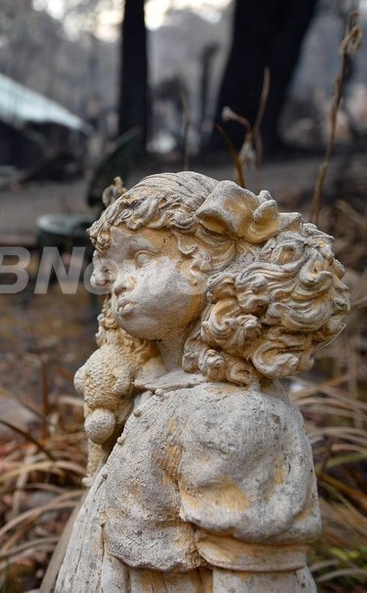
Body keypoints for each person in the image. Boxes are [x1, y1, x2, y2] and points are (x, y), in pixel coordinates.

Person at [54, 172, 349, 592]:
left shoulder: (236, 417)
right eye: (113, 268)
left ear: (216, 262)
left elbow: (254, 578)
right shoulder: (154, 386)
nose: (118, 283)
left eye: (140, 259)